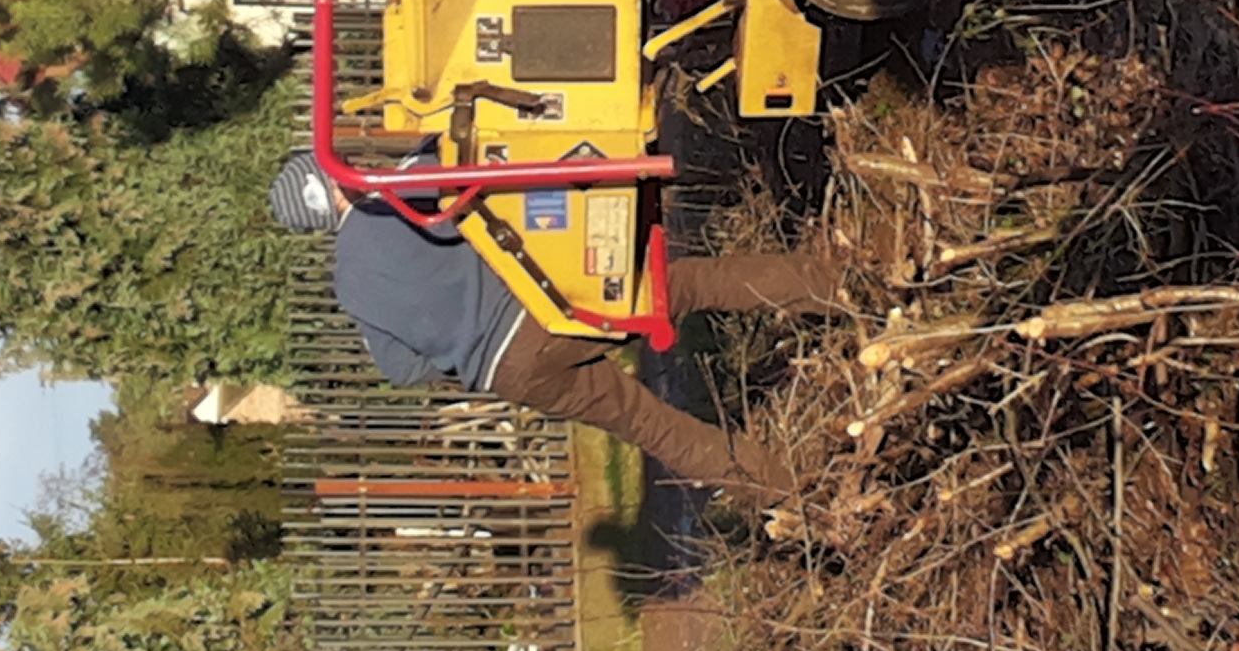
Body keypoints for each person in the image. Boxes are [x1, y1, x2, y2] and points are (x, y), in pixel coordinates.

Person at [268, 149, 839, 504]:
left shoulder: (351, 290)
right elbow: (457, 175)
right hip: (550, 299)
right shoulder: (392, 196)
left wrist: (457, 337)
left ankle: (793, 491)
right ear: (332, 179)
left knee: (652, 427)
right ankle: (838, 285)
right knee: (692, 285)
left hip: (512, 371)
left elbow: (404, 371)